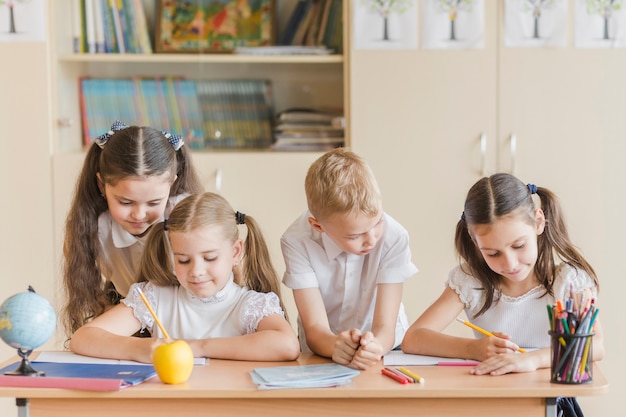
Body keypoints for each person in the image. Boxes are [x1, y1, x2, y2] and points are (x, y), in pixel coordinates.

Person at [401, 173, 604, 377]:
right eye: (493, 253)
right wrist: (474, 349)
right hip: (492, 395)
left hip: (549, 399)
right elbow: (413, 338)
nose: (510, 263)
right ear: (475, 241)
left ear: (538, 222)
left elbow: (596, 345)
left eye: (519, 245)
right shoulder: (471, 282)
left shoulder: (568, 282)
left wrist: (532, 360)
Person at [69, 192, 300, 363]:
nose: (196, 271)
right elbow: (84, 338)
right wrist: (138, 348)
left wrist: (197, 347)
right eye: (183, 260)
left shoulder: (249, 305)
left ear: (236, 252)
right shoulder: (155, 298)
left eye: (209, 258)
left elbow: (287, 345)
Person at [61, 121, 204, 338]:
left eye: (154, 203)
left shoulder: (187, 218)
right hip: (135, 324)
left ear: (171, 185)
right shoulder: (95, 228)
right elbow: (92, 287)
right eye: (126, 202)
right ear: (102, 185)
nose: (138, 215)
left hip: (194, 322)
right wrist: (112, 316)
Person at [281, 148, 418, 370]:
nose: (371, 239)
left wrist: (376, 346)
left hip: (386, 348)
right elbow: (315, 328)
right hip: (323, 349)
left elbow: (385, 325)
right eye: (355, 236)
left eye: (377, 222)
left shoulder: (394, 237)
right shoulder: (297, 241)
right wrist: (335, 344)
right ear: (318, 226)